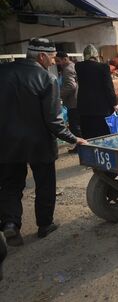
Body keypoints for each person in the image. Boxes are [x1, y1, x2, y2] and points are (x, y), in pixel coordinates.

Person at [0, 38, 87, 246]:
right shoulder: (46, 79)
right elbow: (53, 121)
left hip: (6, 143)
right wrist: (74, 139)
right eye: (51, 56)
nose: (54, 60)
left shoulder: (2, 72)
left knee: (10, 184)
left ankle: (11, 224)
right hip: (39, 143)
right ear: (41, 56)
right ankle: (44, 225)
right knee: (45, 184)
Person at [76, 44, 118, 139]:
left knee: (88, 136)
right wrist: (114, 103)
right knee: (103, 136)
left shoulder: (78, 66)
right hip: (101, 108)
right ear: (96, 56)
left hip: (84, 109)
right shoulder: (103, 67)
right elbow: (109, 87)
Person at [56, 51, 81, 153]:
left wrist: (58, 95)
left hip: (73, 102)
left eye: (58, 61)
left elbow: (71, 86)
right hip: (76, 100)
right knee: (77, 125)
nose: (57, 63)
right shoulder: (73, 66)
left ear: (65, 59)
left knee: (75, 126)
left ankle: (80, 146)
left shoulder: (67, 70)